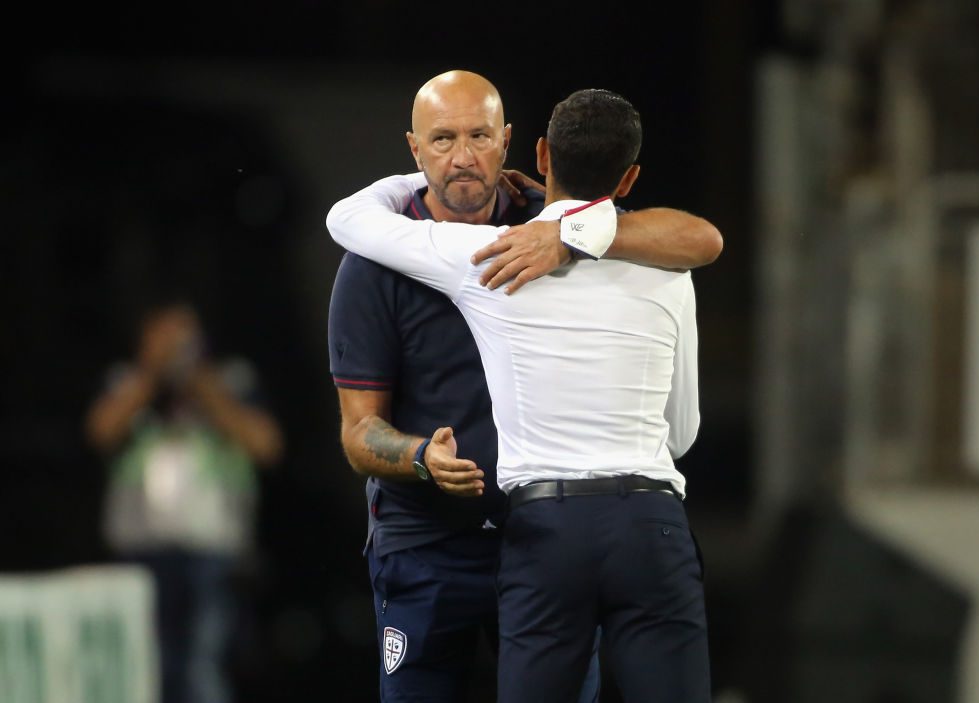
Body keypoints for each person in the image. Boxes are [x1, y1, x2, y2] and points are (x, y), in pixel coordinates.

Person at [327, 71, 720, 701]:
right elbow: (357, 432)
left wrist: (565, 232)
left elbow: (695, 238)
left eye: (479, 136)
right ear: (414, 149)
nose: (462, 157)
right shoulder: (392, 264)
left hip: (537, 539)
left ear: (518, 145)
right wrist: (422, 458)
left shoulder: (506, 245)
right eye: (442, 140)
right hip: (432, 542)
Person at [85, 303, 283, 703]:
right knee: (147, 666)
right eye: (163, 339)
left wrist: (200, 382)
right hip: (139, 555)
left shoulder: (230, 378)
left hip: (214, 554)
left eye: (182, 339)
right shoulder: (126, 380)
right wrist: (149, 376)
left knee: (202, 665)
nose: (174, 349)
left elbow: (267, 445)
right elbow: (100, 433)